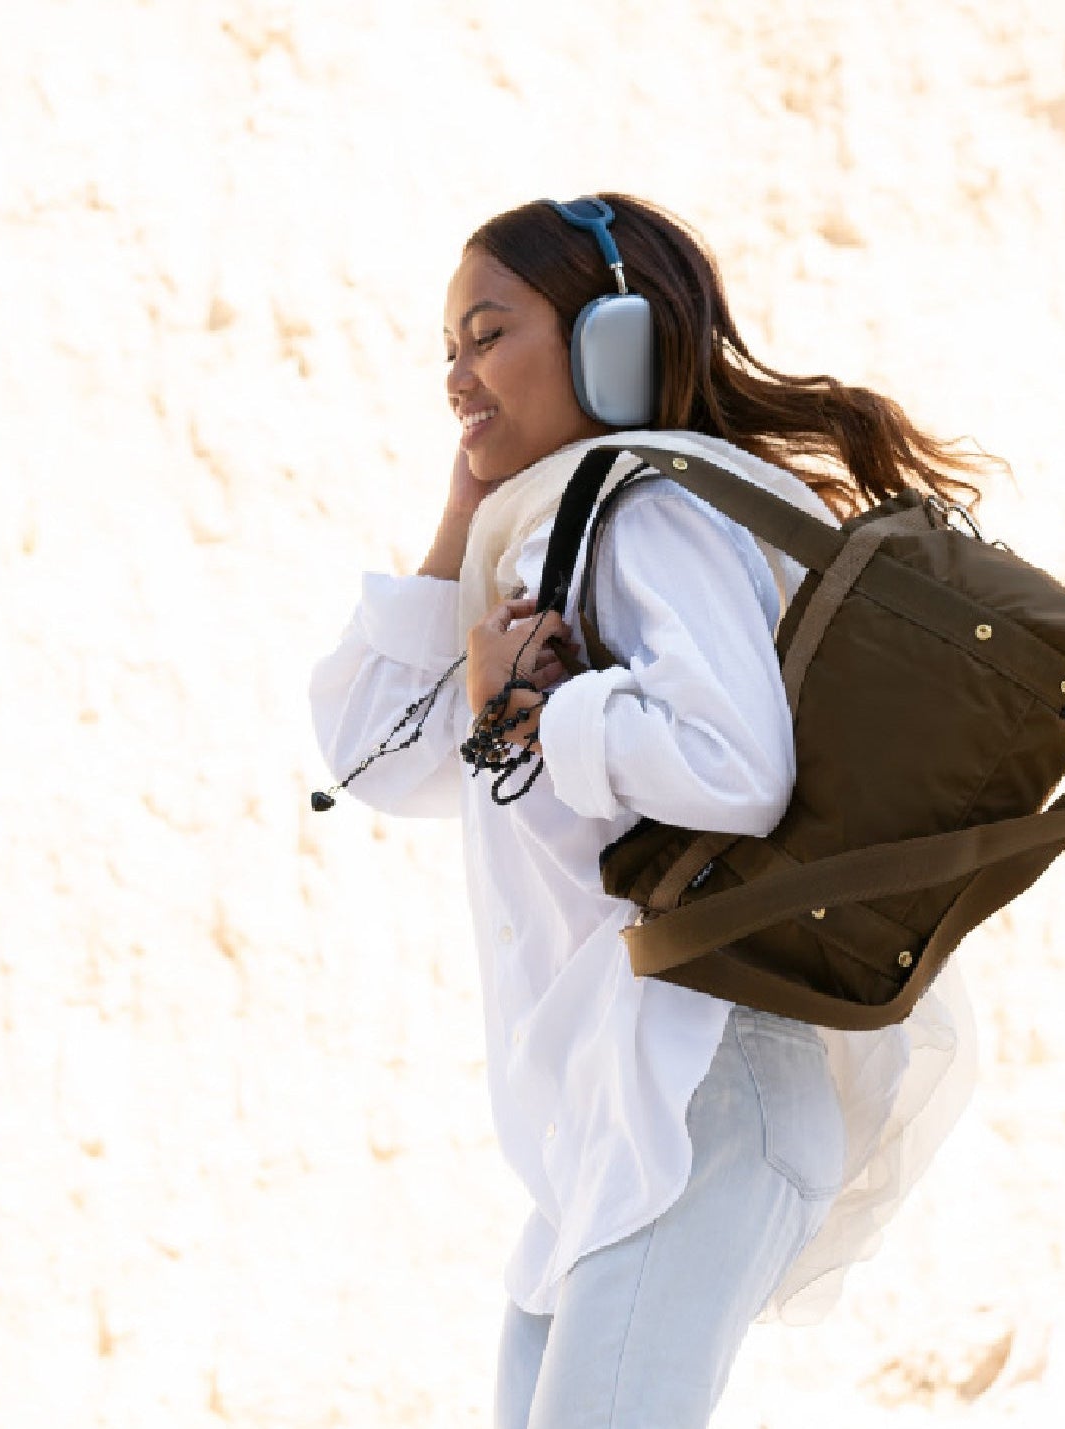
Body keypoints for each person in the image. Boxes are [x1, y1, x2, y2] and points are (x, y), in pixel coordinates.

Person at [309, 194, 996, 1429]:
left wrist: (544, 717)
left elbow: (734, 765)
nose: (456, 375)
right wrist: (464, 511)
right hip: (606, 1127)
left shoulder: (649, 510)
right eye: (447, 351)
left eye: (487, 333)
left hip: (698, 1096)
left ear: (606, 342)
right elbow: (373, 754)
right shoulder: (553, 527)